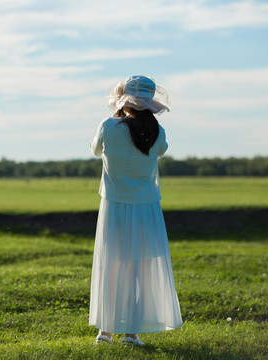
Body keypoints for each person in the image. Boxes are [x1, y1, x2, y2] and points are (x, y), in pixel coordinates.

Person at [88, 75, 183, 346]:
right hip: (146, 207)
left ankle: (105, 331)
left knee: (112, 266)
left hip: (114, 206)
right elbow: (160, 150)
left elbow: (95, 150)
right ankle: (131, 333)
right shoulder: (157, 132)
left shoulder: (108, 125)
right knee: (140, 269)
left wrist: (118, 117)